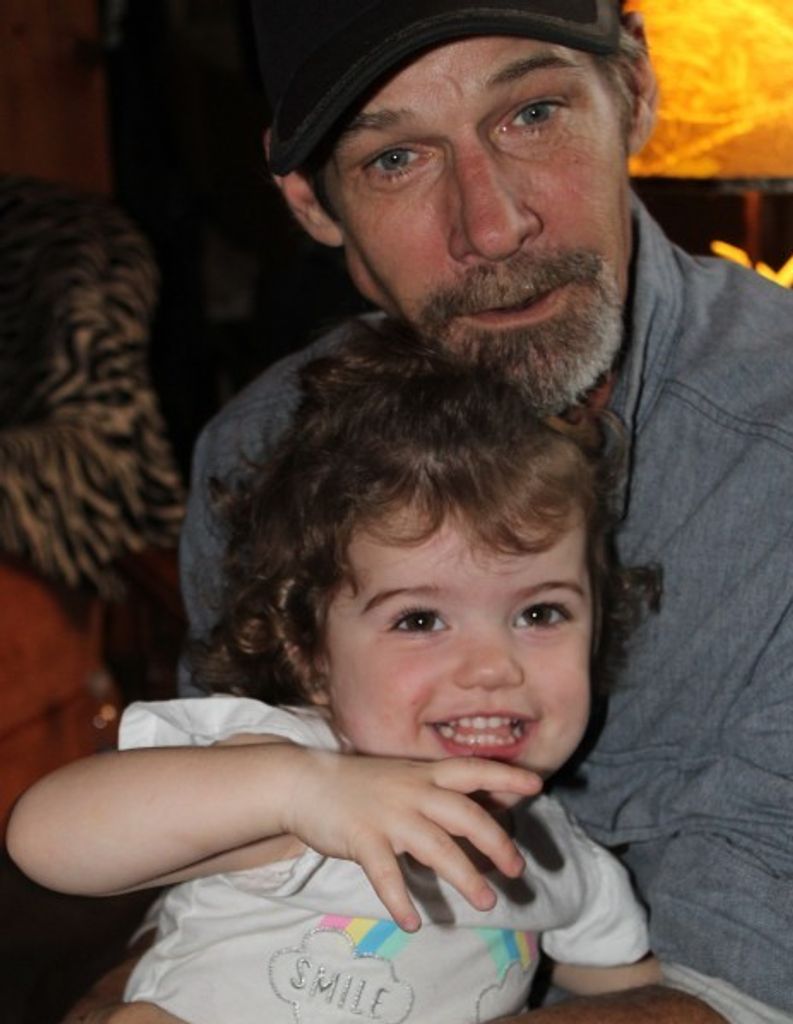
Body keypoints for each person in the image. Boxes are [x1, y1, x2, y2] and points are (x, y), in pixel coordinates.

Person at [47, 0, 793, 1021]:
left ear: (632, 92)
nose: (491, 226)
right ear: (310, 202)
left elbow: (739, 974)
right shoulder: (261, 451)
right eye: (395, 159)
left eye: (532, 114)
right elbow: (208, 863)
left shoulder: (773, 450)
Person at [9, 323, 662, 1023]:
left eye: (539, 613)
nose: (492, 668)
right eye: (419, 620)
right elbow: (45, 839)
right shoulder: (296, 766)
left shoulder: (560, 861)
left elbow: (639, 994)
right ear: (311, 656)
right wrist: (298, 793)